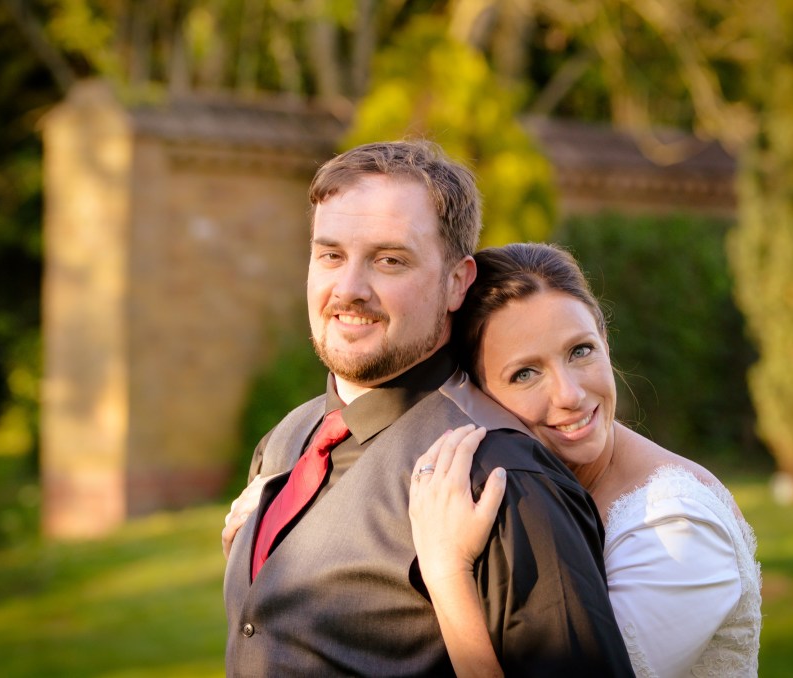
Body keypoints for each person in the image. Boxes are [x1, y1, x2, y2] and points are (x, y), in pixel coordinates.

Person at [222, 142, 634, 676]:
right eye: (330, 255)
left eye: (389, 260)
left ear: (457, 282)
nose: (348, 289)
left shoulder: (502, 478)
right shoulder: (286, 439)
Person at [407, 243, 763, 677]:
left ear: (606, 341)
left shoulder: (678, 529)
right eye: (525, 373)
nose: (570, 395)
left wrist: (447, 573)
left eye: (580, 351)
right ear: (477, 397)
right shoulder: (523, 497)